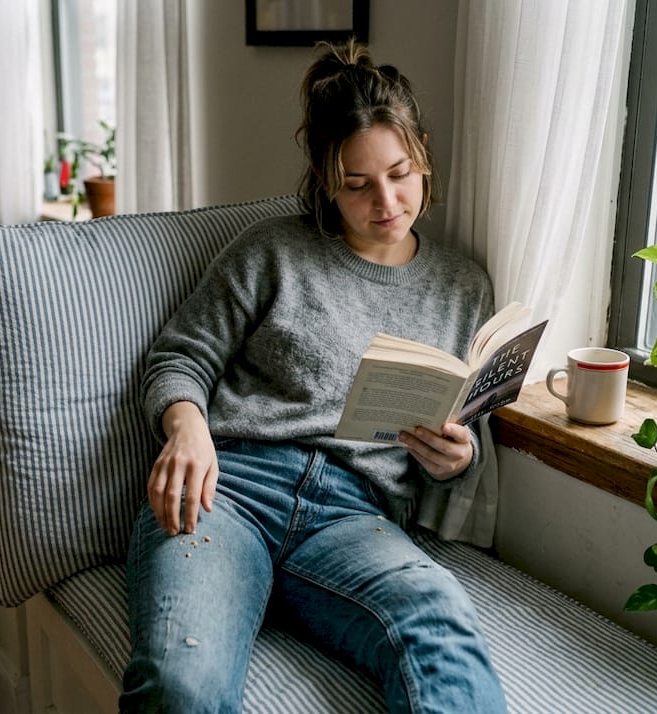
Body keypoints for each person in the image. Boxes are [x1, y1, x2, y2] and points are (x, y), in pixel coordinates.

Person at [121, 39, 507, 713]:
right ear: (327, 183)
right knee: (179, 684)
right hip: (229, 492)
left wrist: (457, 457)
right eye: (358, 185)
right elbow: (179, 356)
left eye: (401, 173)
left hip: (355, 519)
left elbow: (461, 437)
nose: (386, 201)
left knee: (442, 620)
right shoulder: (272, 251)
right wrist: (186, 428)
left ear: (423, 158)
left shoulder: (463, 287)